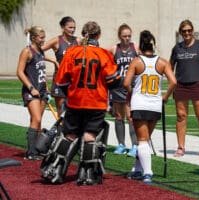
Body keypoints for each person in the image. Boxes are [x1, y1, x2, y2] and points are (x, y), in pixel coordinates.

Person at [40, 21, 119, 185]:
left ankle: (54, 170)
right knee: (90, 137)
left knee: (69, 136)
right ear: (98, 35)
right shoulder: (104, 54)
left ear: (83, 35)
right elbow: (114, 80)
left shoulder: (71, 52)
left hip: (75, 101)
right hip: (96, 102)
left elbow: (61, 82)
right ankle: (87, 176)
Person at [124, 30, 176, 183]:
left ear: (140, 45)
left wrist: (131, 92)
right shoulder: (163, 62)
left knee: (142, 140)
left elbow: (126, 83)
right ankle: (137, 169)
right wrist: (165, 97)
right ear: (153, 46)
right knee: (145, 140)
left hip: (139, 103)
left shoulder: (136, 61)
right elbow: (174, 82)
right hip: (154, 104)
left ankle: (147, 172)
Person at [16, 26, 58, 160]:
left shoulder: (40, 51)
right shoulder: (26, 51)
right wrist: (30, 87)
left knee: (37, 121)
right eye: (41, 37)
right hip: (31, 90)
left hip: (41, 90)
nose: (43, 40)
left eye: (44, 37)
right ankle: (31, 152)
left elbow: (41, 71)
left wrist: (46, 88)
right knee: (37, 119)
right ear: (33, 38)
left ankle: (37, 149)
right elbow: (19, 72)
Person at [170, 19, 199, 157]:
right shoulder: (177, 48)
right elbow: (170, 67)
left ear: (193, 31)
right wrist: (172, 81)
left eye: (189, 30)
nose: (187, 33)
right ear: (181, 32)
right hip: (181, 85)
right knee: (181, 116)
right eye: (184, 31)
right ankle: (181, 147)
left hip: (198, 85)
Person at [108, 23, 139, 157]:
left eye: (129, 36)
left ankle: (135, 145)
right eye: (124, 36)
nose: (127, 38)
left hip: (131, 88)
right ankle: (121, 144)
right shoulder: (114, 49)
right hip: (117, 87)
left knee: (130, 117)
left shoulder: (136, 47)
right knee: (119, 117)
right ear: (120, 36)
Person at [42, 16, 81, 116]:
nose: (72, 30)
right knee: (62, 113)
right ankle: (61, 131)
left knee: (75, 112)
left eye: (74, 28)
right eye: (70, 27)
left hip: (74, 81)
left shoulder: (78, 41)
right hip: (60, 80)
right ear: (63, 27)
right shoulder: (56, 41)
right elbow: (36, 51)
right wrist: (53, 61)